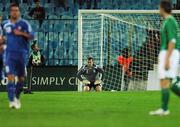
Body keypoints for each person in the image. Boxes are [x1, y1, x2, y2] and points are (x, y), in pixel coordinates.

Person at [0, 3, 34, 109]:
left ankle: (17, 97)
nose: (15, 12)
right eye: (13, 10)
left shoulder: (24, 24)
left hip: (21, 54)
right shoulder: (5, 24)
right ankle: (11, 102)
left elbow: (32, 36)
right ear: (10, 12)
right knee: (10, 77)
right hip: (9, 54)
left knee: (21, 79)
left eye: (17, 10)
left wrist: (21, 33)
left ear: (19, 12)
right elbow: (2, 37)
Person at [149, 0, 180, 116]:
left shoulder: (171, 21)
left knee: (168, 82)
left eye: (159, 7)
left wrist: (167, 58)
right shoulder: (166, 21)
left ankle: (164, 108)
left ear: (163, 8)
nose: (158, 9)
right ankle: (164, 109)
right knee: (164, 81)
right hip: (165, 52)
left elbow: (172, 41)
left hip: (170, 53)